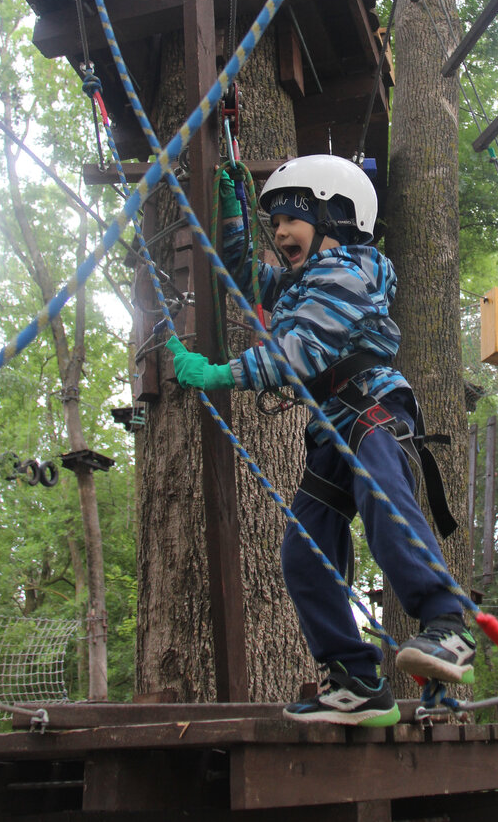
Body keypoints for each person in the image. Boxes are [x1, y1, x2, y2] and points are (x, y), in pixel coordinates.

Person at [166, 154, 475, 727]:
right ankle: (355, 679)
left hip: (370, 410)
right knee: (304, 553)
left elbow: (300, 352)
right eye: (276, 222)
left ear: (336, 216)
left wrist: (219, 374)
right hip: (331, 424)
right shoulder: (303, 280)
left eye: (293, 218)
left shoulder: (350, 272)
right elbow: (243, 274)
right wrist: (233, 214)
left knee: (384, 503)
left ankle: (448, 627)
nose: (280, 232)